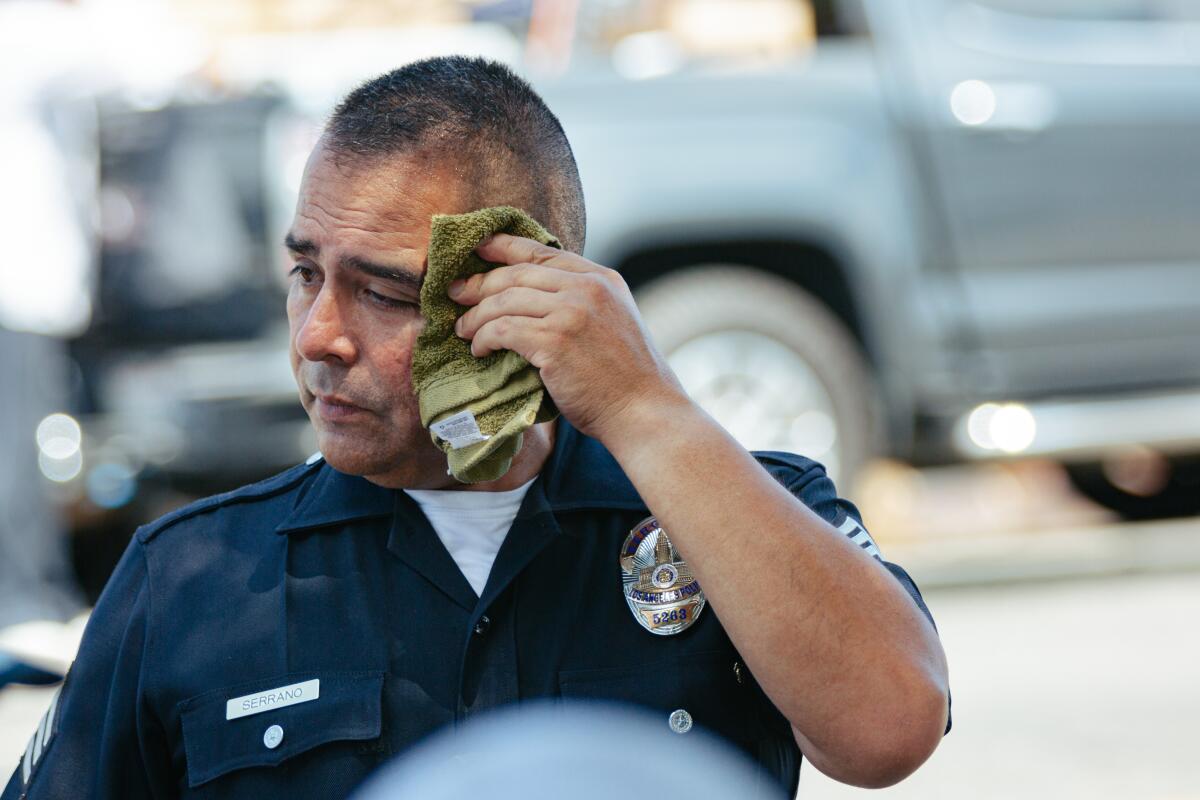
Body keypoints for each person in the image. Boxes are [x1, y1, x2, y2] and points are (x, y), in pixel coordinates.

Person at [4, 56, 949, 799]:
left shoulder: (739, 517)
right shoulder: (190, 575)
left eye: (382, 292)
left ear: (530, 292)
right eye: (304, 275)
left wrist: (644, 407)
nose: (319, 335)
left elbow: (888, 732)